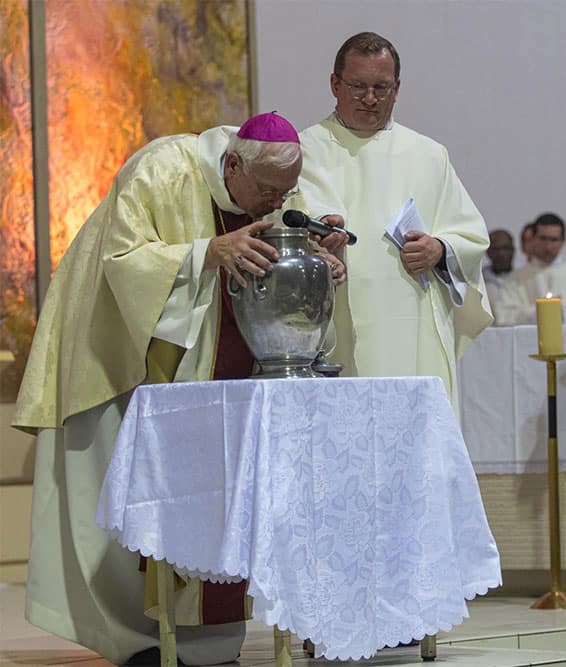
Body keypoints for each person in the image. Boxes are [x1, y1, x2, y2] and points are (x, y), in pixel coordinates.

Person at [12, 113, 343, 664]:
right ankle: (141, 638)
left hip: (225, 370)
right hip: (127, 356)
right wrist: (205, 253)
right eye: (268, 190)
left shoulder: (274, 185)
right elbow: (121, 261)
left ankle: (208, 640)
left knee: (225, 492)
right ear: (233, 164)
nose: (276, 201)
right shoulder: (162, 170)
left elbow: (279, 247)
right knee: (138, 498)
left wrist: (318, 255)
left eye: (285, 191)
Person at [297, 31, 491, 406]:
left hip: (412, 326)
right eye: (358, 87)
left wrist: (439, 248)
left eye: (381, 88)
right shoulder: (304, 150)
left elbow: (471, 235)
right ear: (334, 84)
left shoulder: (429, 155)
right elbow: (282, 224)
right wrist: (317, 243)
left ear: (397, 88)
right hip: (335, 322)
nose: (370, 99)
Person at [493, 213, 566, 325]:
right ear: (532, 239)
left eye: (554, 240)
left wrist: (564, 314)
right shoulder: (516, 278)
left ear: (563, 242)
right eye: (543, 239)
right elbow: (503, 315)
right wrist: (538, 313)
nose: (548, 245)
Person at [483, 229, 515, 311]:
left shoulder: (524, 277)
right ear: (488, 252)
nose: (501, 253)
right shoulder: (479, 280)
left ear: (513, 250)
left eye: (505, 248)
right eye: (496, 249)